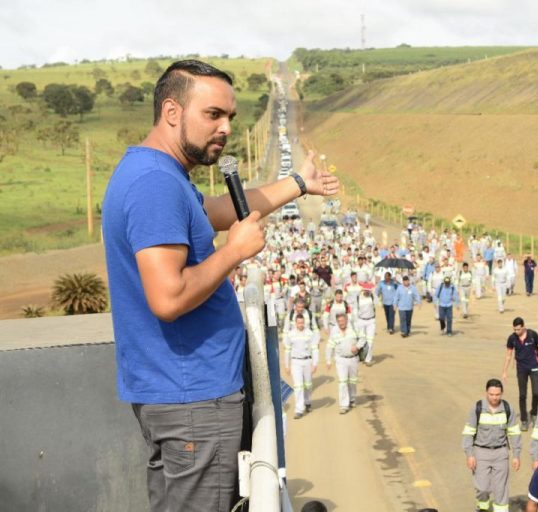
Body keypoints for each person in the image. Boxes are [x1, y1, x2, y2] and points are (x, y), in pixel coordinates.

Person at [102, 60, 338, 512]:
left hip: (175, 394)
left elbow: (218, 210)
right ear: (172, 111)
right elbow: (168, 298)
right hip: (194, 400)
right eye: (213, 114)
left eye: (230, 117)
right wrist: (233, 253)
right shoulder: (155, 185)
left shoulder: (158, 174)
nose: (226, 127)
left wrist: (298, 184)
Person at [461, 379, 522, 512]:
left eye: (497, 395)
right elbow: (468, 433)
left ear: (502, 393)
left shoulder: (507, 409)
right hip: (481, 453)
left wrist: (516, 455)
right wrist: (469, 455)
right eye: (491, 394)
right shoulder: (477, 408)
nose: (494, 398)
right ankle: (482, 509)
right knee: (482, 488)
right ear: (486, 393)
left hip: (501, 453)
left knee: (501, 489)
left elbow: (514, 433)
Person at [501, 317, 538, 432]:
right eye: (514, 329)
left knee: (536, 392)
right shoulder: (512, 338)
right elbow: (508, 356)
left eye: (518, 329)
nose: (516, 332)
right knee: (522, 395)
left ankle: (534, 413)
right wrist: (504, 371)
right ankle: (524, 420)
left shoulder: (532, 335)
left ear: (523, 326)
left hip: (534, 367)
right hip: (521, 369)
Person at [326, 313, 365, 414]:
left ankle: (352, 399)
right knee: (343, 382)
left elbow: (363, 338)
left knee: (352, 381)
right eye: (339, 321)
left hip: (353, 359)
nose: (341, 323)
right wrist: (328, 360)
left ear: (346, 321)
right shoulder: (335, 332)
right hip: (341, 360)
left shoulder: (353, 328)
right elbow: (329, 346)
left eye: (343, 321)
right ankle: (344, 405)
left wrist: (357, 346)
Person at [284, 315, 319, 419]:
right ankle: (299, 409)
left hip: (307, 361)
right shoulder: (290, 334)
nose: (300, 325)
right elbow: (287, 350)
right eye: (298, 323)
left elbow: (314, 349)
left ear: (304, 322)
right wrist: (287, 365)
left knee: (308, 385)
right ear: (295, 323)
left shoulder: (309, 333)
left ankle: (307, 402)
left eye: (302, 322)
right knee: (298, 386)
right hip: (296, 362)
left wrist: (315, 363)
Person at [355, 285, 377, 366]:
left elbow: (377, 301)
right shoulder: (358, 298)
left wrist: (373, 292)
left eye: (369, 290)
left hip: (371, 321)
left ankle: (368, 359)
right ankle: (358, 356)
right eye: (366, 290)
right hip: (361, 321)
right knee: (361, 340)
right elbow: (355, 310)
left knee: (370, 341)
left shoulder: (372, 297)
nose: (367, 292)